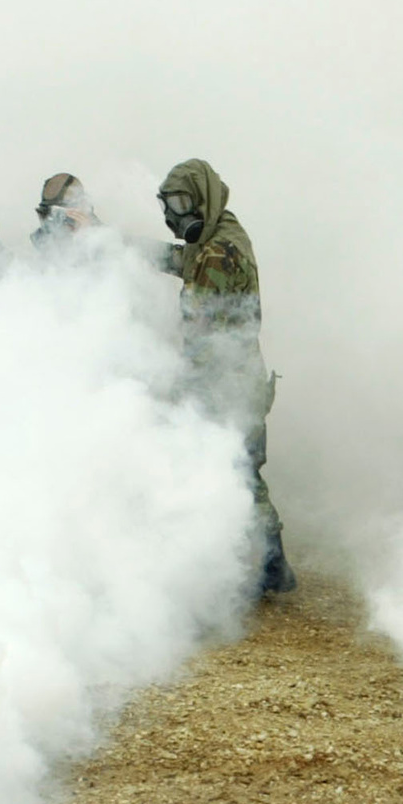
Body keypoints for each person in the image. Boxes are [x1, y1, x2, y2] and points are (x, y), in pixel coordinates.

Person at [158, 158, 294, 595]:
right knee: (241, 472)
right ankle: (271, 567)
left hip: (225, 384)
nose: (175, 214)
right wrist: (110, 239)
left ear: (204, 199)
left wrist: (180, 388)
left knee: (235, 474)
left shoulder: (219, 251)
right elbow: (183, 260)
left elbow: (201, 333)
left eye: (183, 202)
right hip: (236, 379)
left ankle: (258, 569)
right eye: (170, 203)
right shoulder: (223, 232)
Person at [30, 172, 98, 249]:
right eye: (49, 213)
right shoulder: (42, 237)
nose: (58, 222)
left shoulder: (101, 236)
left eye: (64, 215)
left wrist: (87, 235)